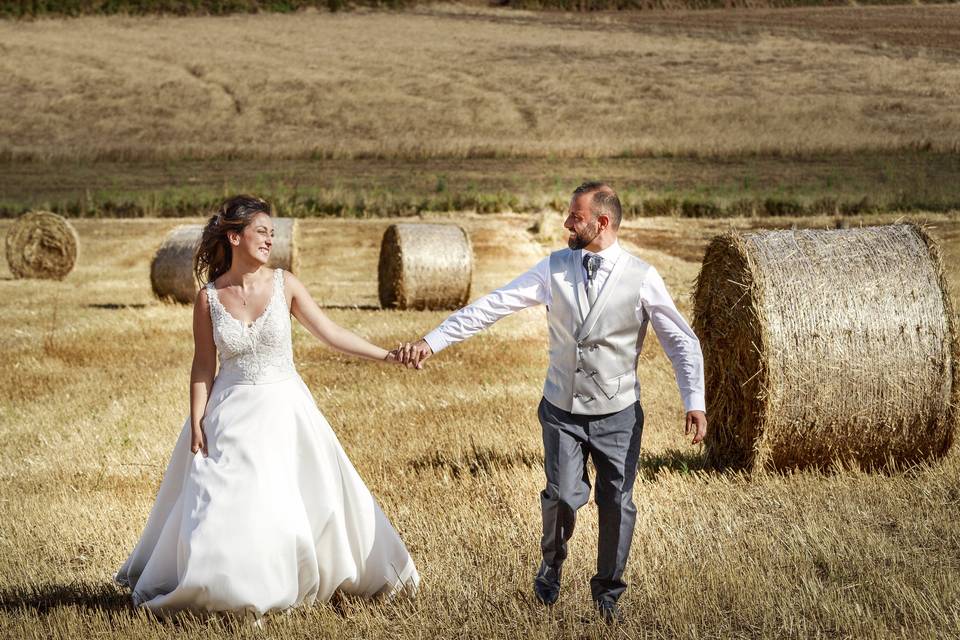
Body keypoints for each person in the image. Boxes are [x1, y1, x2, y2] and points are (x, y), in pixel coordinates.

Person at [397, 182, 706, 624]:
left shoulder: (643, 276)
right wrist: (433, 340)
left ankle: (608, 593)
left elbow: (680, 339)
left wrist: (694, 400)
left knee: (617, 502)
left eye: (575, 217)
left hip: (618, 412)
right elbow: (493, 305)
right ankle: (552, 563)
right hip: (561, 409)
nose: (565, 223)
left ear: (602, 223)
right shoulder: (554, 268)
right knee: (562, 496)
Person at [115, 195, 419, 617]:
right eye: (262, 232)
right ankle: (225, 586)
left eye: (273, 234)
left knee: (288, 501)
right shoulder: (208, 299)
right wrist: (197, 420)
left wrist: (385, 355)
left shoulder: (285, 284)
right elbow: (204, 365)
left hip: (284, 410)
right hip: (230, 410)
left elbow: (330, 333)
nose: (269, 240)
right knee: (221, 501)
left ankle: (278, 582)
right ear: (234, 236)